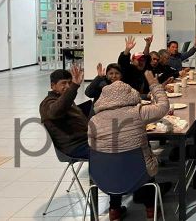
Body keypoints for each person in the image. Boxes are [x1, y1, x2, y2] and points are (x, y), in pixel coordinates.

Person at [88, 71, 171, 220]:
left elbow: (92, 146)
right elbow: (164, 106)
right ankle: (151, 210)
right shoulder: (139, 112)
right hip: (138, 174)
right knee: (143, 159)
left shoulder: (93, 120)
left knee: (114, 161)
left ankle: (114, 210)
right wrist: (154, 84)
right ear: (130, 95)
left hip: (102, 176)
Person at [39, 65, 89, 159]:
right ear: (53, 86)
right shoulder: (47, 103)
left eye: (69, 83)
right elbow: (56, 111)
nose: (67, 86)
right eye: (63, 83)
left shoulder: (62, 99)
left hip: (84, 140)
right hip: (74, 147)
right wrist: (74, 86)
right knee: (113, 149)